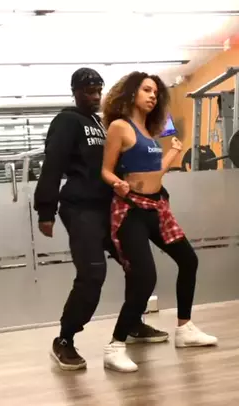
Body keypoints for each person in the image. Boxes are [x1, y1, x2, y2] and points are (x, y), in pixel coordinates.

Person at [34, 67, 168, 372]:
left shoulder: (101, 123)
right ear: (75, 92)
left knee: (140, 268)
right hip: (81, 209)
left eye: (98, 91)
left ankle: (132, 324)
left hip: (112, 207)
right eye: (88, 92)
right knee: (93, 273)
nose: (95, 97)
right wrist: (46, 210)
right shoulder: (67, 121)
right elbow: (53, 164)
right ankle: (64, 339)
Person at [100, 71, 218, 372]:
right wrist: (117, 183)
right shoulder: (120, 127)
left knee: (188, 260)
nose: (153, 96)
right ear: (131, 93)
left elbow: (155, 173)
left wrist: (174, 152)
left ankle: (184, 329)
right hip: (131, 211)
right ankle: (115, 346)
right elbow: (106, 170)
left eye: (155, 92)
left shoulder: (149, 132)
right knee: (145, 278)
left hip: (156, 208)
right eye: (146, 90)